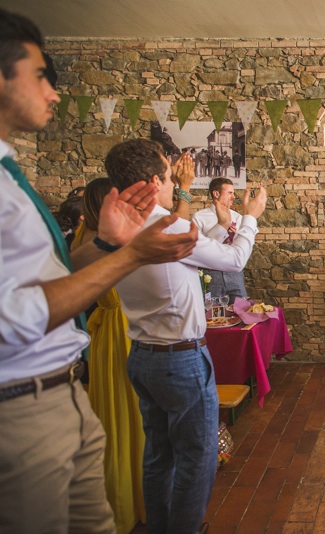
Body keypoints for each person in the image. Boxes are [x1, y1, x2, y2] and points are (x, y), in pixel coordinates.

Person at [0, 9, 198, 531]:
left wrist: (110, 241)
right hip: (20, 406)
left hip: (63, 390)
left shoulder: (8, 174)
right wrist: (131, 256)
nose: (55, 93)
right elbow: (11, 317)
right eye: (42, 76)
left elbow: (52, 278)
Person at [105, 138, 267, 533]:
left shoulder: (117, 228)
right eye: (167, 174)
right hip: (180, 358)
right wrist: (251, 217)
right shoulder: (169, 228)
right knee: (197, 458)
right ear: (151, 181)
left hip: (142, 353)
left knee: (158, 456)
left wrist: (181, 189)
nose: (172, 179)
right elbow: (233, 258)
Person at [72, 178, 146, 533]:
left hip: (106, 330)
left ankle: (126, 497)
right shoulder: (105, 241)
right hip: (120, 331)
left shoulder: (82, 237)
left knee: (115, 413)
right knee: (127, 414)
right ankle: (130, 500)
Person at [192, 177, 247, 300]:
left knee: (241, 312)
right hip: (209, 274)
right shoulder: (199, 217)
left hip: (235, 273)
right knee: (211, 315)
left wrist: (238, 236)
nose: (233, 196)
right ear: (216, 194)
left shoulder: (238, 218)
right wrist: (221, 227)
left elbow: (243, 249)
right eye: (230, 193)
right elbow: (197, 248)